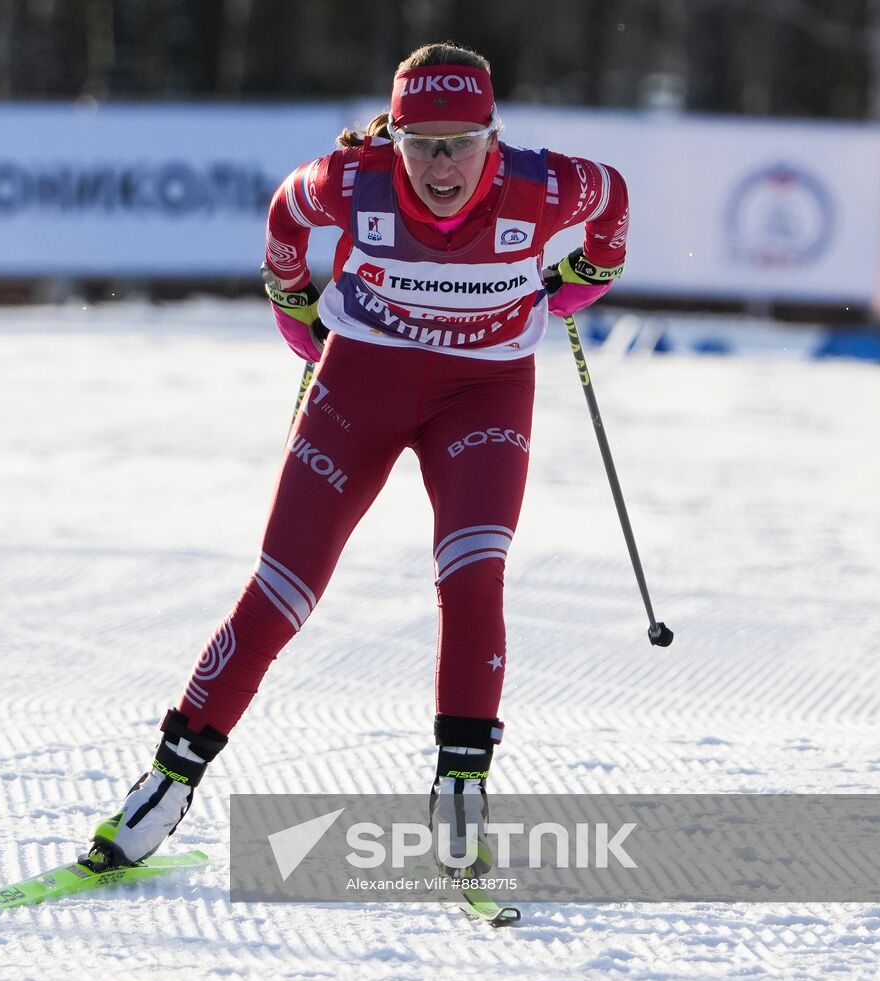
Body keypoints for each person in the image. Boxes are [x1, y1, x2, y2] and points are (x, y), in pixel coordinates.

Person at [82, 42, 629, 872]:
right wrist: (291, 305)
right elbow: (284, 217)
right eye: (420, 142)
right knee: (279, 592)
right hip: (362, 385)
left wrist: (588, 273)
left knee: (473, 572)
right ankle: (164, 786)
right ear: (394, 137)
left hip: (484, 393)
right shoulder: (350, 179)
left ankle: (460, 795)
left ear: (492, 133)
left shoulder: (545, 185)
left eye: (460, 140)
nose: (440, 163)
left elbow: (615, 201)